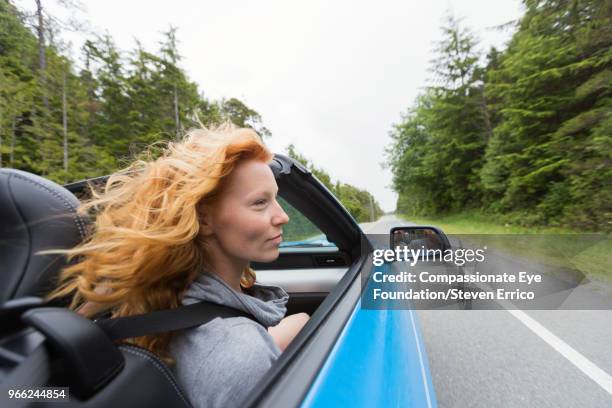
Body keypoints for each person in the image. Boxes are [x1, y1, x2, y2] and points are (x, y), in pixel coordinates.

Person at [47, 123, 310, 408]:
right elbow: (238, 357)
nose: (283, 216)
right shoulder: (240, 352)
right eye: (260, 203)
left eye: (275, 199)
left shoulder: (165, 297)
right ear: (204, 219)